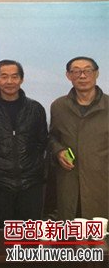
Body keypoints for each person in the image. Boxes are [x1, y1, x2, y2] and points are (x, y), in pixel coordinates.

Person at [0, 60, 48, 227]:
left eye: (14, 77)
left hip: (30, 184)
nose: (9, 81)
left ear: (21, 79)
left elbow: (42, 142)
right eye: (4, 76)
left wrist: (31, 165)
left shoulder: (35, 108)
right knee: (0, 236)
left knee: (28, 236)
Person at [49, 56, 108, 220]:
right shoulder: (59, 106)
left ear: (96, 73)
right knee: (72, 229)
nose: (82, 76)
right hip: (69, 183)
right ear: (68, 75)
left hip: (102, 183)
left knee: (101, 231)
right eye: (76, 71)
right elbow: (52, 137)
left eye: (87, 71)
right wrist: (58, 151)